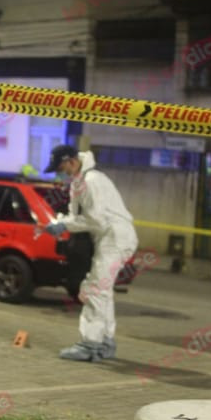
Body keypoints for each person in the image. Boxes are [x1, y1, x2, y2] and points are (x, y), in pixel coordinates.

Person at [42, 145, 138, 362]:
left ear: (72, 161)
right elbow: (77, 214)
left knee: (95, 289)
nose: (61, 171)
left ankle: (90, 344)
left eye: (61, 166)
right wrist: (62, 222)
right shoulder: (81, 180)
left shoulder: (91, 181)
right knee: (102, 290)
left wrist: (63, 226)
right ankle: (105, 342)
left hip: (114, 238)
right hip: (112, 238)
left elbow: (96, 220)